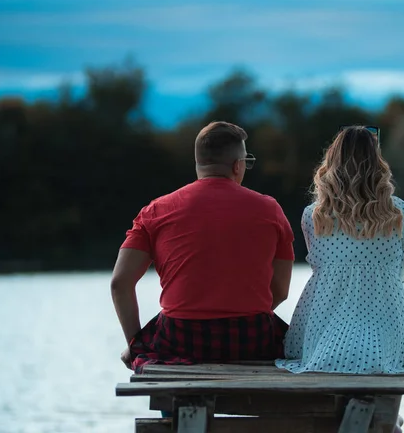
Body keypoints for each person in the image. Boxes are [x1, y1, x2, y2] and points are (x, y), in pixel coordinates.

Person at [111, 121, 295, 373]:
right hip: (253, 338)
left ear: (198, 163)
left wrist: (134, 343)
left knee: (145, 345)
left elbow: (120, 283)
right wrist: (238, 315)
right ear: (237, 165)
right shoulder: (270, 210)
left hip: (181, 339)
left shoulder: (155, 211)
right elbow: (281, 291)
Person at [276, 126, 404, 432]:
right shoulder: (401, 213)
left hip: (326, 335)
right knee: (386, 420)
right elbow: (399, 274)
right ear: (377, 162)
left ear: (332, 163)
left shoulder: (312, 215)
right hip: (385, 335)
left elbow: (321, 270)